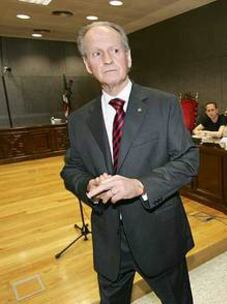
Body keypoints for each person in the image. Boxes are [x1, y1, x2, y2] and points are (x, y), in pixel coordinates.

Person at [60, 21, 198, 304]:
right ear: (87, 64)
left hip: (158, 234)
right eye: (97, 54)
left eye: (114, 50)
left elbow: (188, 159)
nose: (108, 59)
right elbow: (71, 169)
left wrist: (140, 185)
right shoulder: (78, 120)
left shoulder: (164, 104)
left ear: (128, 56)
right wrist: (88, 184)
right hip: (109, 241)